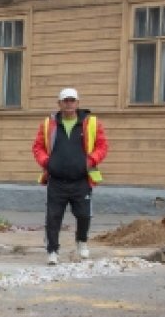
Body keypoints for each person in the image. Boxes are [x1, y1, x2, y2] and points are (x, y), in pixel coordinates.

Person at [32, 87, 109, 265]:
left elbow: (102, 146)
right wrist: (46, 162)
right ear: (59, 104)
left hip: (81, 179)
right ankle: (52, 251)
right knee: (53, 217)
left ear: (78, 103)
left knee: (84, 215)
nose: (69, 104)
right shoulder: (48, 124)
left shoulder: (91, 123)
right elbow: (38, 147)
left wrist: (91, 160)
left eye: (72, 100)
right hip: (56, 180)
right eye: (65, 101)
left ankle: (81, 242)